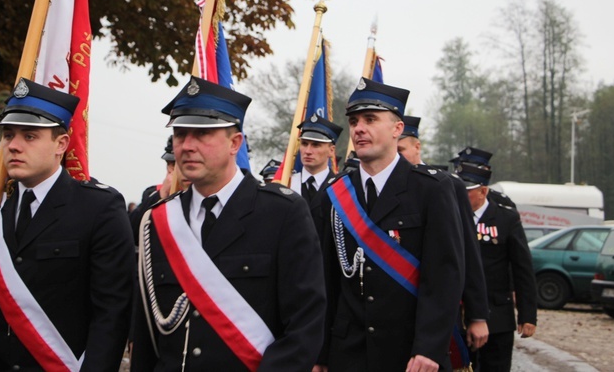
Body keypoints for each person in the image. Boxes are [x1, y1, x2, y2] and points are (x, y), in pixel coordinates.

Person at [0, 78, 135, 371]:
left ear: (60, 144)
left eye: (30, 136)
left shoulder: (99, 208)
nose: (14, 146)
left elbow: (111, 314)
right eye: (8, 135)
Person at [131, 76, 326, 371]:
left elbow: (304, 326)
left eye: (202, 134)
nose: (186, 146)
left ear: (235, 142)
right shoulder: (158, 220)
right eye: (180, 134)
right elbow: (147, 336)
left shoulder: (282, 213)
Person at [317, 77, 465, 372]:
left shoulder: (431, 189)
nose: (359, 128)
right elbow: (326, 281)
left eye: (371, 119)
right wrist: (320, 354)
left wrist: (429, 348)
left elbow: (444, 277)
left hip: (410, 353)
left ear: (398, 129)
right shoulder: (335, 193)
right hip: (348, 353)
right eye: (355, 120)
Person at [397, 116, 490, 362]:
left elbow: (467, 252)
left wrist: (477, 315)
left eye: (401, 150)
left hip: (437, 307)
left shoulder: (447, 185)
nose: (396, 157)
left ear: (417, 147)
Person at [455, 162, 537, 371]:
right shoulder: (452, 216)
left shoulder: (505, 218)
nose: (462, 196)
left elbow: (522, 269)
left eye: (468, 192)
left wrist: (527, 315)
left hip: (497, 314)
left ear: (483, 191)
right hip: (458, 314)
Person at [289, 114, 343, 235]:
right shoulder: (287, 184)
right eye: (304, 144)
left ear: (331, 150)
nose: (308, 151)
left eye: (316, 145)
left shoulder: (341, 187)